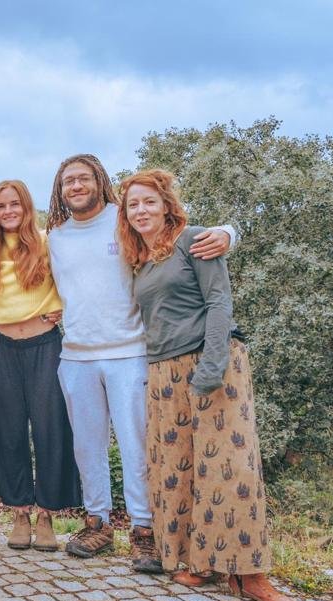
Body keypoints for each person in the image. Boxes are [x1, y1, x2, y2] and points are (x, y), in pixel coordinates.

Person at [46, 153, 237, 572]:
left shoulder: (124, 217)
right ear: (59, 190)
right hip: (75, 355)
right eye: (68, 181)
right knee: (87, 446)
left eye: (83, 178)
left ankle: (144, 531)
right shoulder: (54, 235)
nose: (76, 186)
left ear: (99, 180)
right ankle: (97, 523)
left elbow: (175, 233)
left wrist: (229, 232)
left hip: (130, 351)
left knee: (137, 445)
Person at [119, 169, 297, 601]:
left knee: (229, 468)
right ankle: (201, 561)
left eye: (149, 201)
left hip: (210, 361)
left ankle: (251, 574)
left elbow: (219, 302)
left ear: (166, 205)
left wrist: (212, 367)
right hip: (163, 371)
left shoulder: (194, 240)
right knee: (177, 469)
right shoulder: (140, 259)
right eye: (133, 204)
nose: (141, 210)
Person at [0, 181, 80, 550]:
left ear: (26, 206)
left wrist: (64, 307)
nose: (8, 211)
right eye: (1, 206)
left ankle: (47, 515)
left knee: (51, 428)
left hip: (45, 345)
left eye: (14, 204)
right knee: (9, 430)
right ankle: (19, 512)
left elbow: (80, 276)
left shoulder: (47, 242)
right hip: (3, 348)